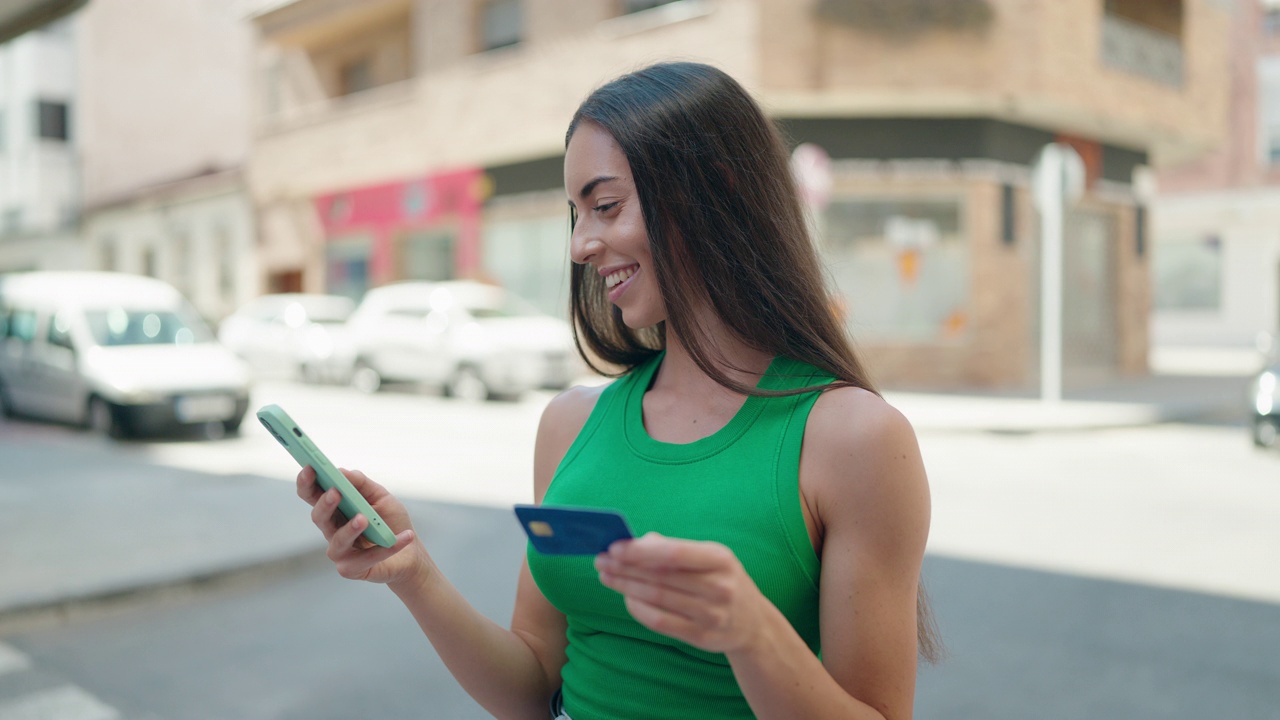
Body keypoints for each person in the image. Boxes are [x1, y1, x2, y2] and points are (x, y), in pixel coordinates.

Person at [296, 61, 938, 720]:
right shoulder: (571, 424)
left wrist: (753, 635)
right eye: (576, 214)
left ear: (717, 191)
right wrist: (414, 574)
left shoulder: (855, 437)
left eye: (605, 206)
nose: (580, 246)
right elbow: (532, 688)